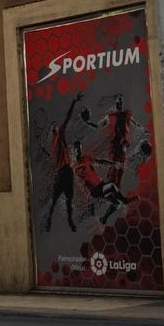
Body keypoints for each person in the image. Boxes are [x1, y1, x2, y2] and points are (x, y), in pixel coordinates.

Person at [43, 92, 83, 233]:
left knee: (57, 200)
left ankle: (51, 219)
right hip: (65, 172)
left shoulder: (53, 146)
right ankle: (68, 220)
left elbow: (52, 156)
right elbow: (67, 117)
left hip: (61, 173)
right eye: (54, 126)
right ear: (55, 131)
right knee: (67, 200)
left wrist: (44, 151)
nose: (56, 126)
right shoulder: (59, 136)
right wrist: (74, 101)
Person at [81, 94, 140, 185]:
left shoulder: (126, 115)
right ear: (115, 102)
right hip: (114, 147)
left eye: (121, 101)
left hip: (122, 147)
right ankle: (111, 185)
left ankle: (115, 186)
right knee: (113, 168)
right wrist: (88, 122)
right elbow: (98, 125)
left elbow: (135, 124)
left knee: (120, 169)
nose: (119, 103)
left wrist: (142, 129)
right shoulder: (111, 116)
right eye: (118, 101)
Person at [71, 140, 133, 224]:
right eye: (76, 149)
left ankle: (104, 218)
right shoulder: (74, 167)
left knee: (117, 204)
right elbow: (78, 182)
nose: (78, 151)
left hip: (101, 185)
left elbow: (100, 161)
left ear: (81, 149)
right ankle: (125, 201)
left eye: (79, 149)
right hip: (95, 190)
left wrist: (113, 163)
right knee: (111, 186)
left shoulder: (85, 158)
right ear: (74, 151)